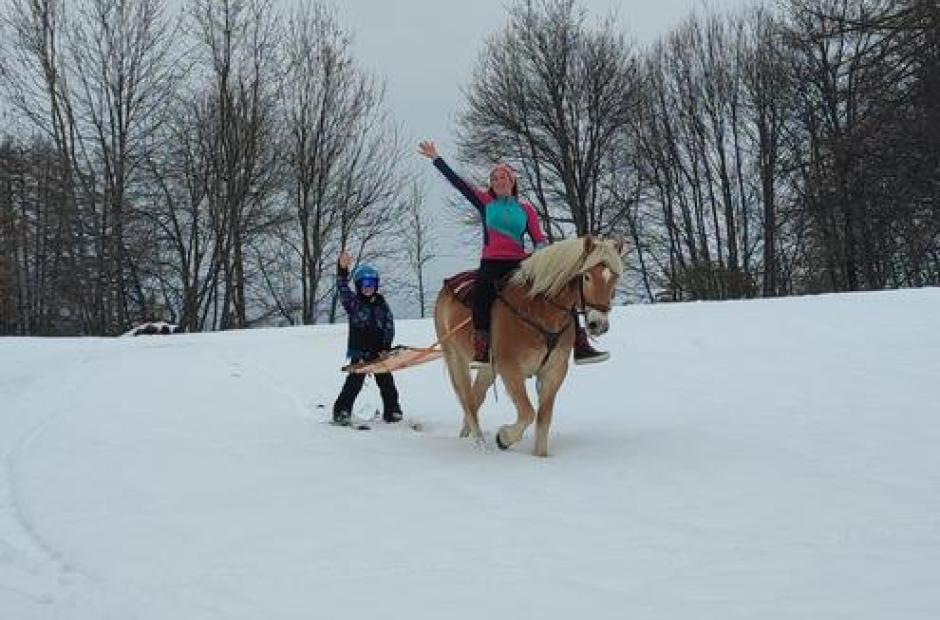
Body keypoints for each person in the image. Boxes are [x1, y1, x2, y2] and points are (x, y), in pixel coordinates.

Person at [418, 140, 608, 366]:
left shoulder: (526, 209)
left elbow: (538, 237)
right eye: (494, 179)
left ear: (512, 181)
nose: (498, 181)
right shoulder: (485, 202)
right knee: (481, 295)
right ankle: (482, 348)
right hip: (491, 263)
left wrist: (542, 252)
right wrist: (437, 159)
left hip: (520, 263)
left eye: (503, 177)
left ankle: (581, 343)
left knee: (558, 287)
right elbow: (460, 184)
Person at [332, 251, 403, 425]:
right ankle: (342, 411)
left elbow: (389, 325)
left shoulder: (382, 304)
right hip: (360, 352)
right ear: (358, 285)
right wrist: (342, 270)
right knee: (353, 384)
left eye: (371, 283)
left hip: (379, 352)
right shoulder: (353, 303)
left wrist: (386, 346)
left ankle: (392, 411)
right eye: (364, 283)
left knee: (387, 383)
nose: (368, 287)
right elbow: (342, 287)